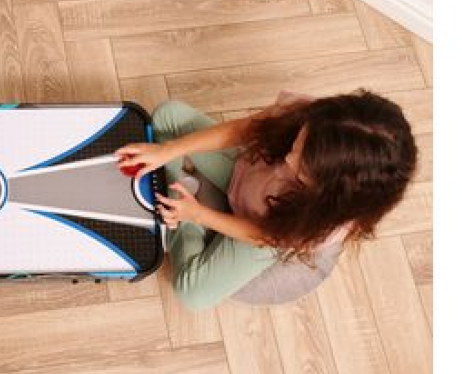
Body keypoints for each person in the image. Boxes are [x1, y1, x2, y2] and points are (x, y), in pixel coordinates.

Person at [116, 90, 418, 310]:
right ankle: (182, 189)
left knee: (192, 294)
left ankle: (185, 205)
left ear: (330, 191)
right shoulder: (307, 114)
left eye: (302, 168)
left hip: (262, 228)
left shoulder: (319, 226)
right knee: (167, 114)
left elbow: (263, 235)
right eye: (299, 142)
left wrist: (197, 216)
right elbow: (242, 130)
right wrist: (168, 152)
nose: (289, 157)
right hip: (245, 172)